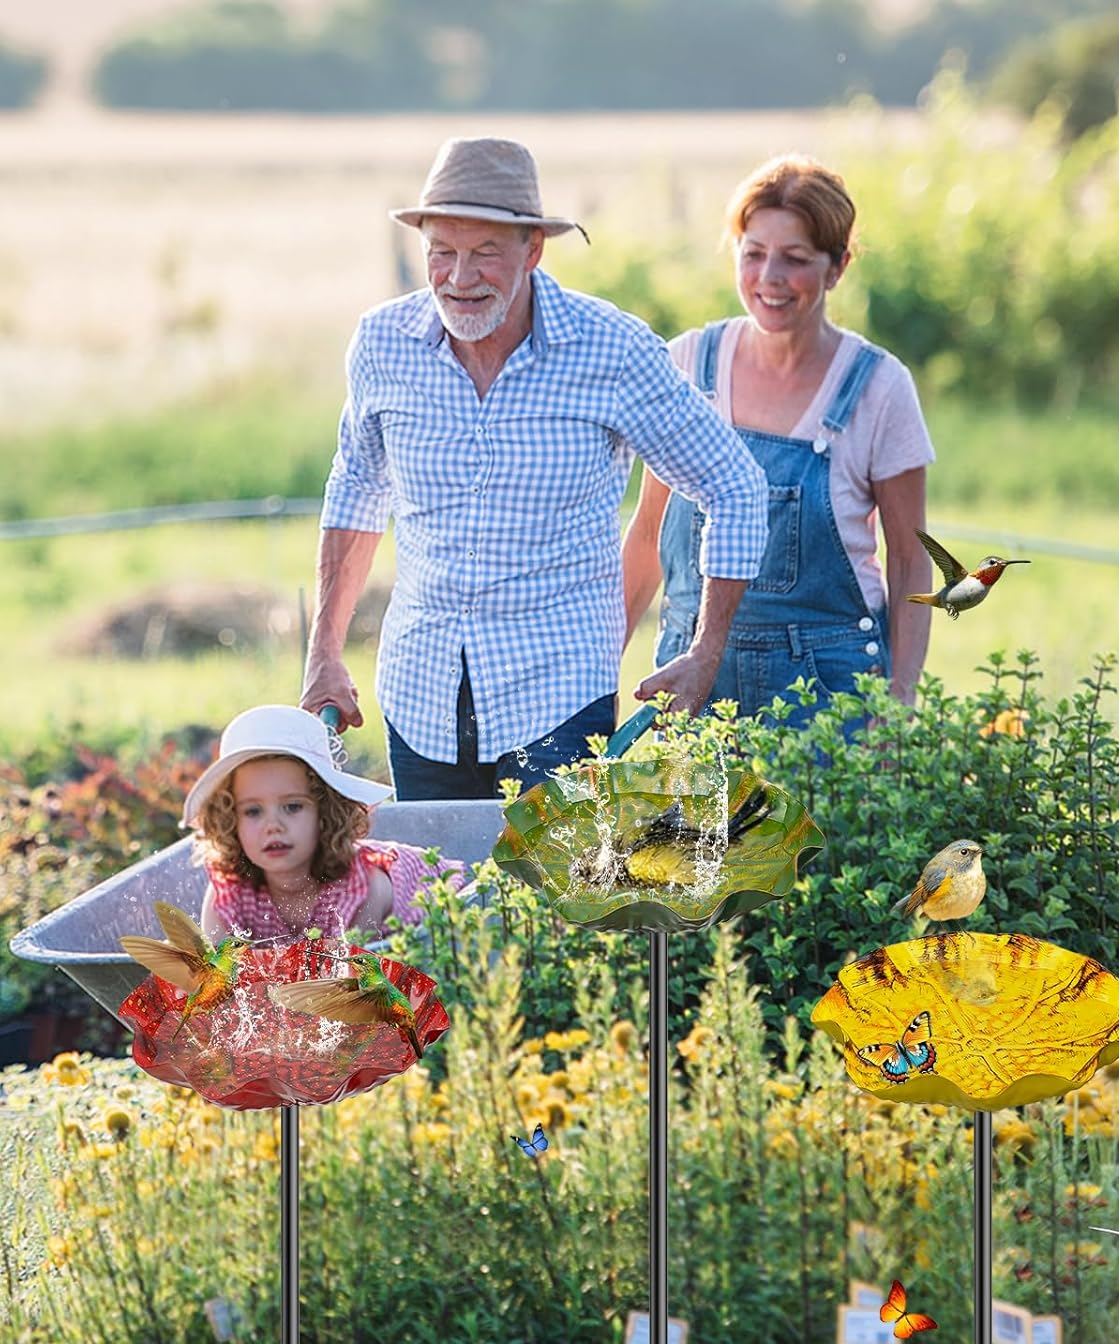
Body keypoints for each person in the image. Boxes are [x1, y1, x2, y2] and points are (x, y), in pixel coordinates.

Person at [301, 137, 768, 798]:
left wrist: (705, 651)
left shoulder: (611, 350)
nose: (459, 278)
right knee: (440, 897)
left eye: (485, 253)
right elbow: (356, 491)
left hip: (557, 698)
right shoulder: (383, 344)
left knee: (552, 899)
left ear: (533, 250)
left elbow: (735, 484)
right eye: (443, 252)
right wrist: (324, 654)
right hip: (421, 694)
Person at [622, 154, 935, 728]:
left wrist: (900, 700)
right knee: (690, 824)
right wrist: (596, 673)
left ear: (836, 267)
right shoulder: (686, 364)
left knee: (823, 824)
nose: (769, 278)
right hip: (693, 677)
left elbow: (911, 559)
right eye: (754, 254)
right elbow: (646, 536)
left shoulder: (879, 387)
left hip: (829, 685)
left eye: (794, 260)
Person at [183, 705, 466, 942]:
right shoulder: (230, 895)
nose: (273, 826)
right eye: (253, 811)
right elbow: (218, 982)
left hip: (411, 945)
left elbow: (348, 993)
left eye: (292, 807)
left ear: (325, 814)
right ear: (231, 821)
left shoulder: (362, 889)